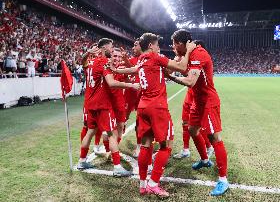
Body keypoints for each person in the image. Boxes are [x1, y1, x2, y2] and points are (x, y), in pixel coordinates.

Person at [136, 33, 196, 198]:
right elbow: (184, 68)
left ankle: (142, 185)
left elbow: (165, 69)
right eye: (156, 45)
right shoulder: (155, 57)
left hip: (143, 106)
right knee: (166, 145)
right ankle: (154, 183)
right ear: (150, 46)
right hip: (157, 107)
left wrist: (173, 61)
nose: (158, 48)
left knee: (146, 145)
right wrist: (189, 51)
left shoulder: (141, 60)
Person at [170, 29, 229, 196]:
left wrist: (171, 77)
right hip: (197, 101)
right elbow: (182, 68)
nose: (173, 48)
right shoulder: (188, 54)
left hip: (208, 101)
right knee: (192, 130)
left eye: (174, 44)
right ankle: (205, 160)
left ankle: (223, 180)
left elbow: (190, 81)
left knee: (215, 137)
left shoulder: (199, 53)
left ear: (181, 43)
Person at [77, 38, 140, 177]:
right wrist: (131, 86)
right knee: (112, 133)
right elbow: (111, 83)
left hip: (90, 104)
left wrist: (87, 53)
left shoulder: (90, 62)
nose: (112, 51)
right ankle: (117, 167)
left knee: (90, 131)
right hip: (102, 105)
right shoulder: (103, 62)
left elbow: (82, 62)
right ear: (104, 48)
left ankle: (82, 161)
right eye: (111, 48)